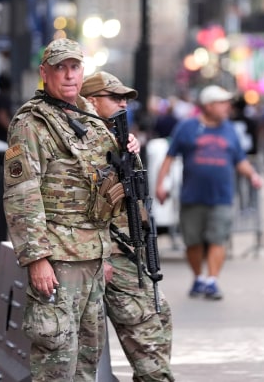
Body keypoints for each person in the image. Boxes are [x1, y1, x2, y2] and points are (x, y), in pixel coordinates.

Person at [3, 38, 140, 380]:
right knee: (56, 359)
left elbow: (106, 187)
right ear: (44, 73)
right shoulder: (31, 124)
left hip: (92, 256)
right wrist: (37, 260)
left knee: (87, 361)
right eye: (60, 68)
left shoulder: (89, 117)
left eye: (74, 67)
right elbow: (22, 194)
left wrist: (129, 149)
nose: (68, 75)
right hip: (58, 259)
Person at [80, 71, 174, 382]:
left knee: (160, 314)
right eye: (115, 98)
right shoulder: (84, 140)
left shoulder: (116, 137)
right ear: (91, 101)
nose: (123, 104)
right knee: (144, 333)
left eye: (125, 99)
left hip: (130, 248)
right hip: (110, 251)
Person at [154, 85, 263, 301]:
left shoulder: (230, 129)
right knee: (192, 242)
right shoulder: (187, 127)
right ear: (209, 106)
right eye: (223, 103)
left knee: (218, 238)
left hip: (222, 196)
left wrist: (253, 175)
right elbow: (170, 157)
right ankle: (198, 277)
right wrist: (160, 184)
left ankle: (212, 280)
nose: (228, 107)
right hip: (192, 196)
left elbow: (239, 159)